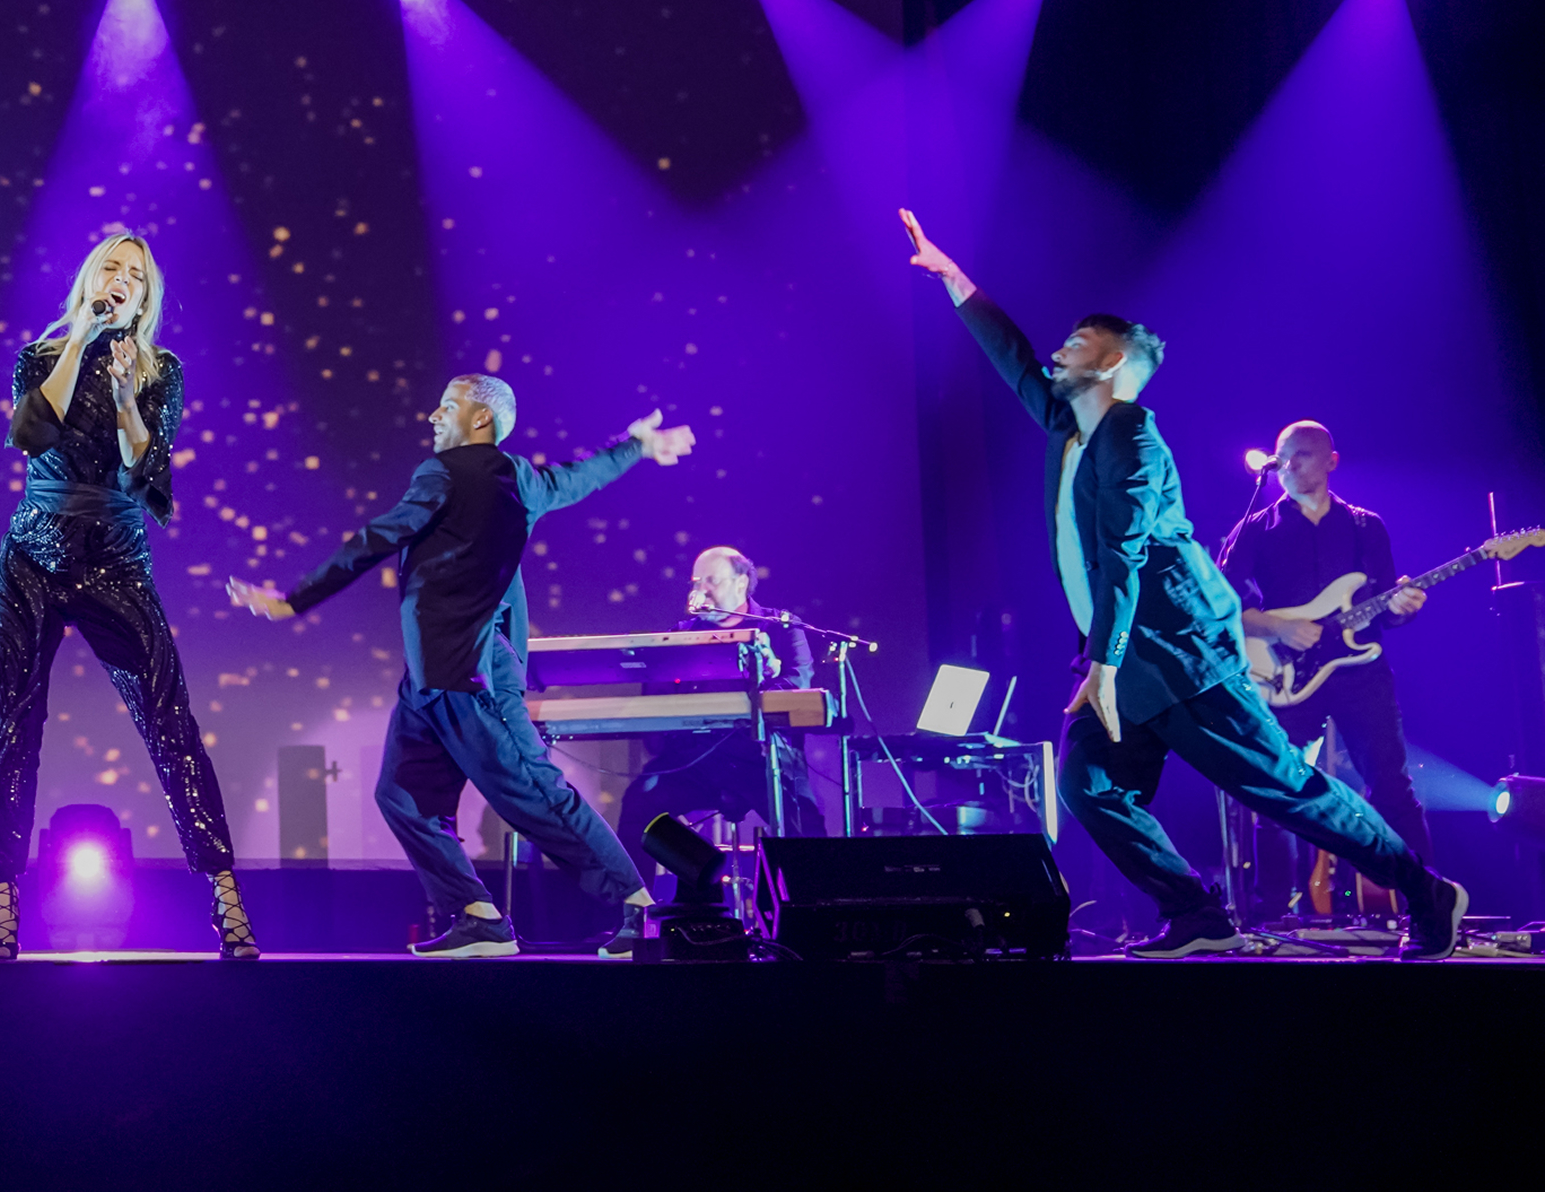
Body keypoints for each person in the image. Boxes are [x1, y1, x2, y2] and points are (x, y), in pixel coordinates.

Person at [900, 209, 1465, 958]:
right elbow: (1014, 360)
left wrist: (1102, 665)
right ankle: (1197, 913)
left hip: (1179, 654)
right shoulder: (1068, 426)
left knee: (1283, 790)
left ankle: (1425, 891)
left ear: (1111, 363)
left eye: (1076, 343)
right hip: (1118, 658)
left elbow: (1124, 551)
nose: (1058, 351)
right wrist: (954, 280)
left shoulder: (1132, 435)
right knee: (1088, 790)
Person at [229, 373, 697, 958]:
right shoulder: (523, 480)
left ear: (480, 420)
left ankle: (639, 910)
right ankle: (479, 918)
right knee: (404, 796)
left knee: (535, 793)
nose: (433, 415)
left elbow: (378, 537)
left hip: (470, 671)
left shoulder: (446, 472)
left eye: (447, 406)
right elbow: (578, 477)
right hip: (430, 677)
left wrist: (295, 599)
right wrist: (635, 447)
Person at [0, 233, 254, 960]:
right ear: (90, 280)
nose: (123, 279)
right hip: (32, 554)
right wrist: (81, 339)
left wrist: (130, 398)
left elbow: (144, 469)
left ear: (146, 298)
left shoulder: (162, 371)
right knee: (13, 725)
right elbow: (30, 434)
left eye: (136, 274)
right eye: (112, 267)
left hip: (115, 557)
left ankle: (225, 891)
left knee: (169, 719)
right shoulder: (40, 357)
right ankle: (4, 897)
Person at [1219, 420, 1435, 902]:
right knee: (1278, 793)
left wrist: (1403, 608)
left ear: (1331, 461)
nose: (1289, 466)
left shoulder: (1365, 526)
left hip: (1360, 674)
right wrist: (1276, 628)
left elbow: (1385, 608)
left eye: (1302, 454)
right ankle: (1273, 914)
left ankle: (1428, 903)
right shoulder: (1255, 529)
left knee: (1392, 787)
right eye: (1283, 457)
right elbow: (1218, 605)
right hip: (1285, 676)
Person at [613, 546, 823, 904]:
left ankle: (809, 912)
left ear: (741, 583)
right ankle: (637, 913)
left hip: (762, 759)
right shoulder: (683, 634)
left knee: (803, 821)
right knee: (640, 802)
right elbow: (658, 691)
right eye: (697, 581)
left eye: (711, 580)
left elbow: (797, 684)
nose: (701, 589)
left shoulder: (782, 627)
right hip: (696, 762)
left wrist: (764, 679)